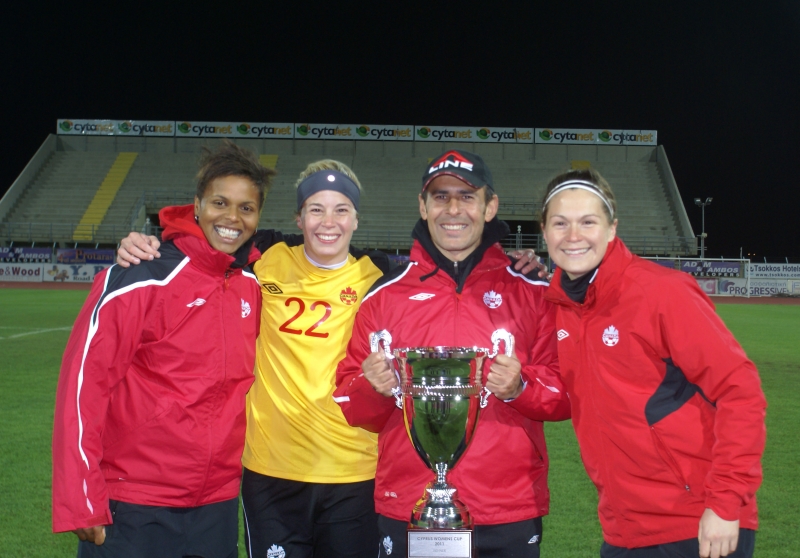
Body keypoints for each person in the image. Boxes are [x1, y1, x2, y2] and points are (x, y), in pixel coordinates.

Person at [117, 156, 544, 558]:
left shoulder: (380, 279)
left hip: (354, 473)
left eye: (341, 210)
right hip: (271, 470)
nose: (328, 222)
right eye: (316, 209)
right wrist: (153, 243)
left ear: (356, 219)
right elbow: (209, 243)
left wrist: (512, 261)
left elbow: (446, 275)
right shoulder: (262, 261)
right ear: (298, 218)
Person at [334, 149, 571, 558]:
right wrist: (373, 387)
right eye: (441, 197)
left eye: (467, 197)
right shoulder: (384, 297)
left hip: (507, 506)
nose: (454, 209)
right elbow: (351, 406)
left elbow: (568, 392)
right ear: (423, 207)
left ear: (490, 206)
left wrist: (521, 387)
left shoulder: (533, 292)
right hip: (409, 503)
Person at [52, 141, 274, 558]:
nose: (232, 218)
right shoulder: (141, 276)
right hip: (134, 502)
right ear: (197, 205)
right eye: (220, 203)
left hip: (217, 505)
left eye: (246, 208)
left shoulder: (252, 286)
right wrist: (79, 496)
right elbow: (83, 385)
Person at [538, 169, 766, 558]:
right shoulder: (563, 307)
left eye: (588, 222)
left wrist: (726, 502)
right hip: (625, 528)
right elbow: (576, 399)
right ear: (544, 232)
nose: (573, 235)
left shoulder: (661, 291)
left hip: (697, 523)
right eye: (560, 223)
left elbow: (740, 391)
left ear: (612, 228)